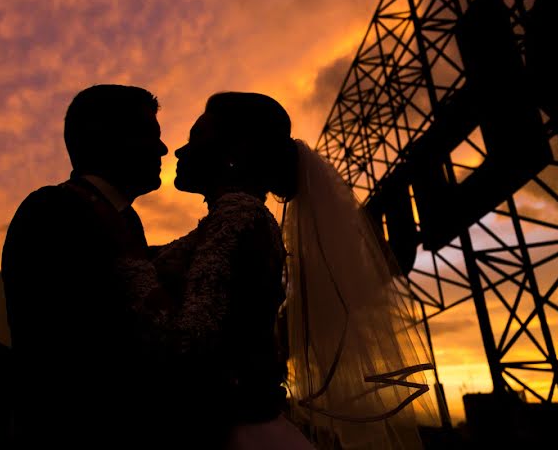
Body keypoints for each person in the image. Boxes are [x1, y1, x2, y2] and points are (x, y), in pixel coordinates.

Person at [120, 92, 436, 450]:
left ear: (233, 155)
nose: (179, 151)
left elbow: (189, 339)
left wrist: (129, 264)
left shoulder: (237, 216)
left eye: (197, 139)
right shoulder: (232, 221)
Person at [0, 84, 170, 449]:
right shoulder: (51, 211)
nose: (162, 148)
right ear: (106, 137)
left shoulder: (127, 221)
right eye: (148, 135)